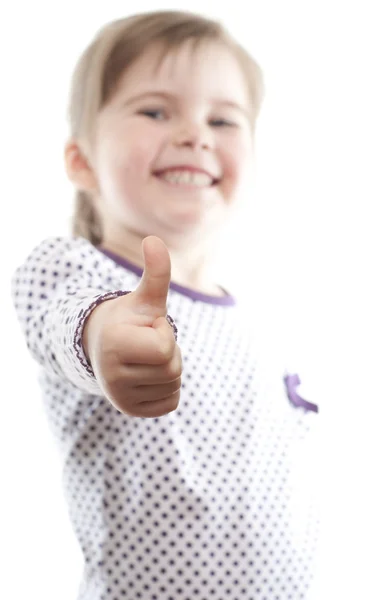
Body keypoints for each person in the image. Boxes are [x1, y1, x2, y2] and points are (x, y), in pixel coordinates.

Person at [11, 10, 319, 600]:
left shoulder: (258, 320)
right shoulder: (79, 271)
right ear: (81, 160)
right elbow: (62, 318)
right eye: (155, 111)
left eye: (223, 119)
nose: (196, 135)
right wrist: (102, 336)